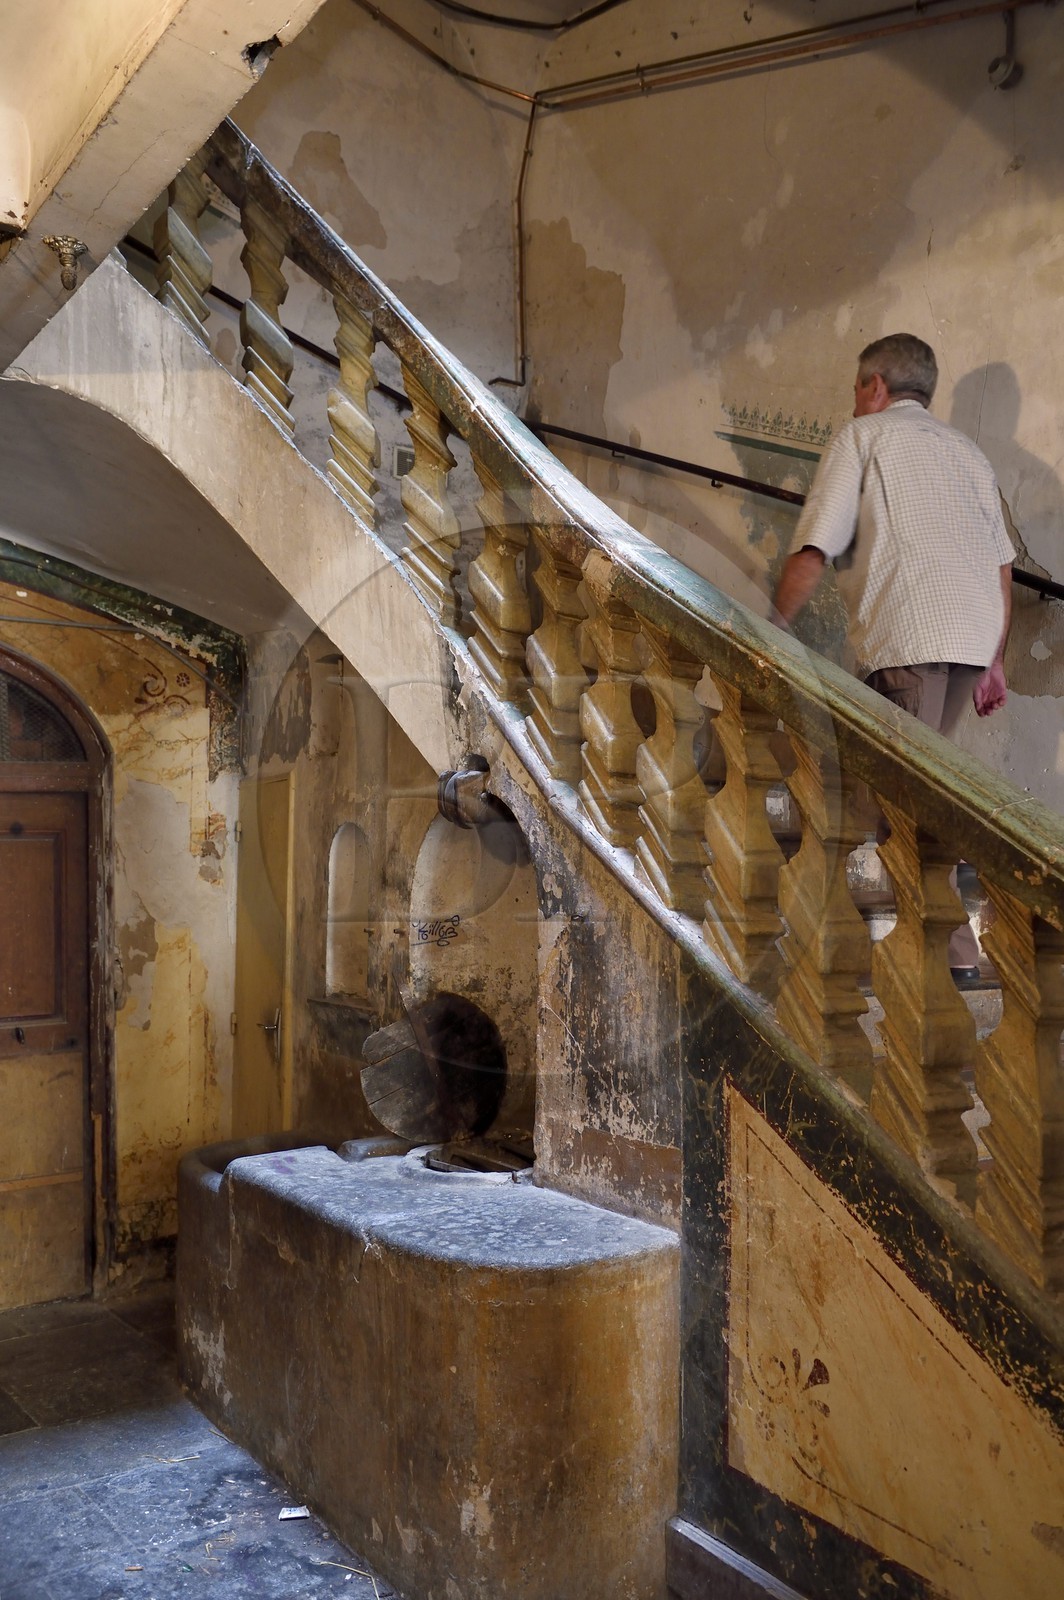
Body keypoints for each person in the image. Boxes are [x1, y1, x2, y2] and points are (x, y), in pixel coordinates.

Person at [772, 332, 1014, 980]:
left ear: (875, 386)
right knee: (895, 792)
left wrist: (771, 627)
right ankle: (919, 942)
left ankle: (952, 955)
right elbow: (1002, 566)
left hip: (911, 641)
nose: (854, 401)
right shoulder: (966, 451)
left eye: (857, 388)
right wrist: (993, 660)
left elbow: (815, 546)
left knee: (903, 805)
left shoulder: (863, 437)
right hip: (968, 644)